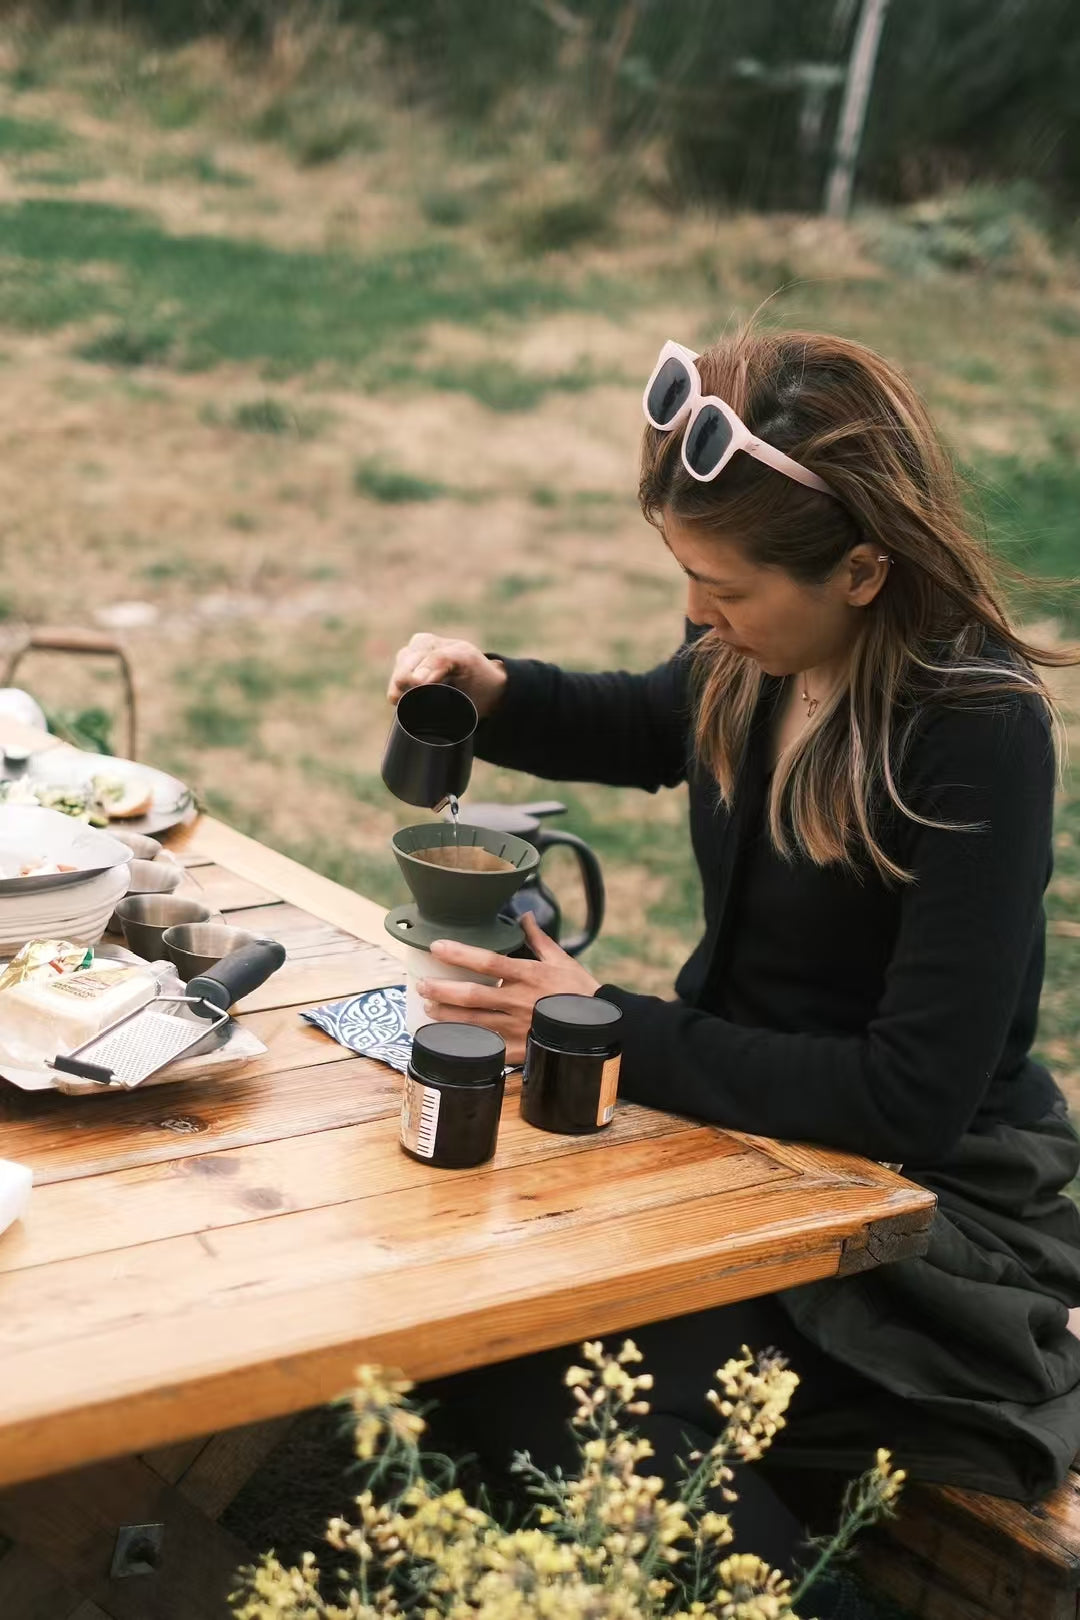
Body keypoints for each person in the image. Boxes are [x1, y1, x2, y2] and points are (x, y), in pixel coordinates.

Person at [385, 328, 1080, 1591]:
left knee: (575, 1391)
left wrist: (608, 1023)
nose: (699, 613)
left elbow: (908, 1096)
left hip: (914, 1205)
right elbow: (651, 718)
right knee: (454, 1312)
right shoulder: (757, 656)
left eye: (728, 588)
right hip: (735, 1131)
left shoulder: (976, 730)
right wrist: (495, 691)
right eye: (684, 574)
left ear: (864, 569)